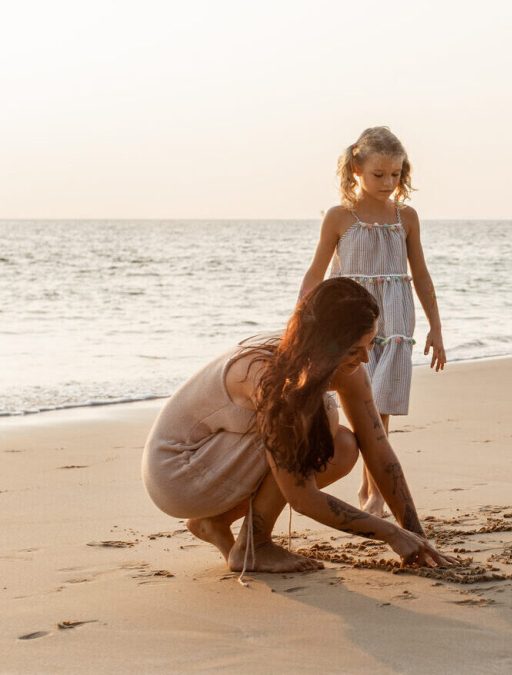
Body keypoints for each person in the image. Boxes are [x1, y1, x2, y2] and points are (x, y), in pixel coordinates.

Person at [143, 278, 454, 574]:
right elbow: (302, 498)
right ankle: (255, 546)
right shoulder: (265, 374)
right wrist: (390, 535)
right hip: (178, 472)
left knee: (343, 446)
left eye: (370, 343)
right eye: (354, 350)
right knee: (321, 416)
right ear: (325, 346)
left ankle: (215, 523)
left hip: (217, 462)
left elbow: (378, 447)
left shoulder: (342, 365)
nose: (365, 358)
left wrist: (414, 534)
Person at [299, 126, 446, 517]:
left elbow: (422, 275)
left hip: (394, 320)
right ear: (356, 170)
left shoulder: (407, 217)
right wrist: (301, 318)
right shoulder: (338, 217)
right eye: (379, 174)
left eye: (396, 174)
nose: (388, 182)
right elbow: (316, 274)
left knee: (378, 405)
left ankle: (374, 493)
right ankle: (372, 491)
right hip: (348, 322)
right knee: (362, 405)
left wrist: (436, 327)